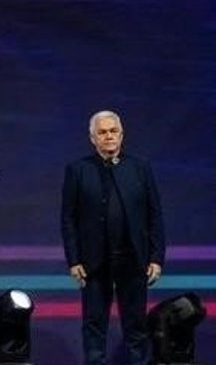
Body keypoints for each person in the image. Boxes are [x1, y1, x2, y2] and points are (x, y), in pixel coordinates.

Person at [61, 110, 165, 365]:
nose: (109, 136)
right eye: (102, 132)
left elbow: (154, 214)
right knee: (94, 325)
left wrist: (156, 257)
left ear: (122, 134)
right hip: (94, 262)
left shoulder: (140, 168)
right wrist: (74, 260)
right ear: (92, 138)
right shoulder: (78, 170)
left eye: (113, 131)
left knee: (136, 325)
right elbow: (68, 219)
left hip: (133, 259)